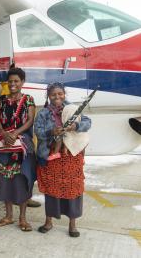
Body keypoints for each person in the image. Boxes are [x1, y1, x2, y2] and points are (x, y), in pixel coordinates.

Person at [35, 82, 91, 237]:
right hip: (52, 155)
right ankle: (48, 221)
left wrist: (76, 126)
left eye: (60, 94)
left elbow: (88, 122)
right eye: (53, 94)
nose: (57, 97)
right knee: (51, 189)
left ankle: (72, 225)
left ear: (64, 94)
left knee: (73, 189)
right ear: (48, 96)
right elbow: (37, 131)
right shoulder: (43, 113)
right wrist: (51, 131)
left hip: (71, 156)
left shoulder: (73, 109)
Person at [0, 67, 36, 232]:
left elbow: (30, 120)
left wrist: (15, 133)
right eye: (10, 81)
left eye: (16, 81)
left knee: (22, 180)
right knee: (4, 180)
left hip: (22, 146)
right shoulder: (1, 100)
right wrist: (4, 133)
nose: (13, 84)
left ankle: (22, 218)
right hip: (5, 146)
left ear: (22, 82)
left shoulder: (29, 99)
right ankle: (8, 216)